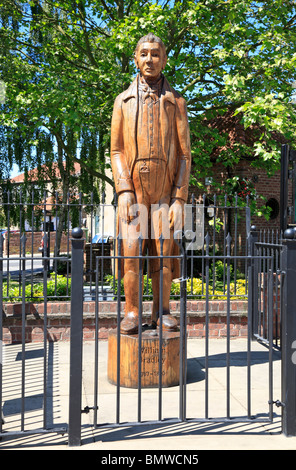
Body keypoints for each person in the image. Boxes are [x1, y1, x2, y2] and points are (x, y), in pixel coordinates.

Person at [110, 33, 191, 335]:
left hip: (164, 194)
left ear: (164, 59)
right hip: (134, 193)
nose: (149, 60)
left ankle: (163, 311)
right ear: (135, 58)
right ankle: (132, 311)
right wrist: (123, 190)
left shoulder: (176, 102)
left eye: (156, 54)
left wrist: (180, 199)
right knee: (131, 252)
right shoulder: (123, 101)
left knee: (164, 253)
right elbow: (116, 149)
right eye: (144, 54)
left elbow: (184, 154)